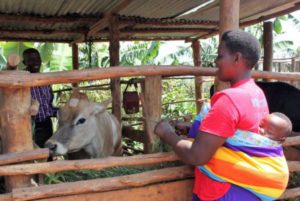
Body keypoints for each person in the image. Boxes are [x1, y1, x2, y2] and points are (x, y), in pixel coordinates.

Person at [154, 30, 289, 201]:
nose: (216, 61)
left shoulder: (229, 100)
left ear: (236, 58)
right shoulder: (256, 94)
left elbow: (197, 156)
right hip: (245, 190)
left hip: (221, 192)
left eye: (220, 55)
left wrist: (166, 133)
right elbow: (236, 133)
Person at [23, 48, 58, 148]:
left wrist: (63, 111)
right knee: (35, 154)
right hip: (29, 125)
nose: (36, 62)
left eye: (37, 59)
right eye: (31, 60)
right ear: (24, 62)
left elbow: (49, 105)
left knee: (48, 151)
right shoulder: (21, 80)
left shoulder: (45, 79)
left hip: (46, 123)